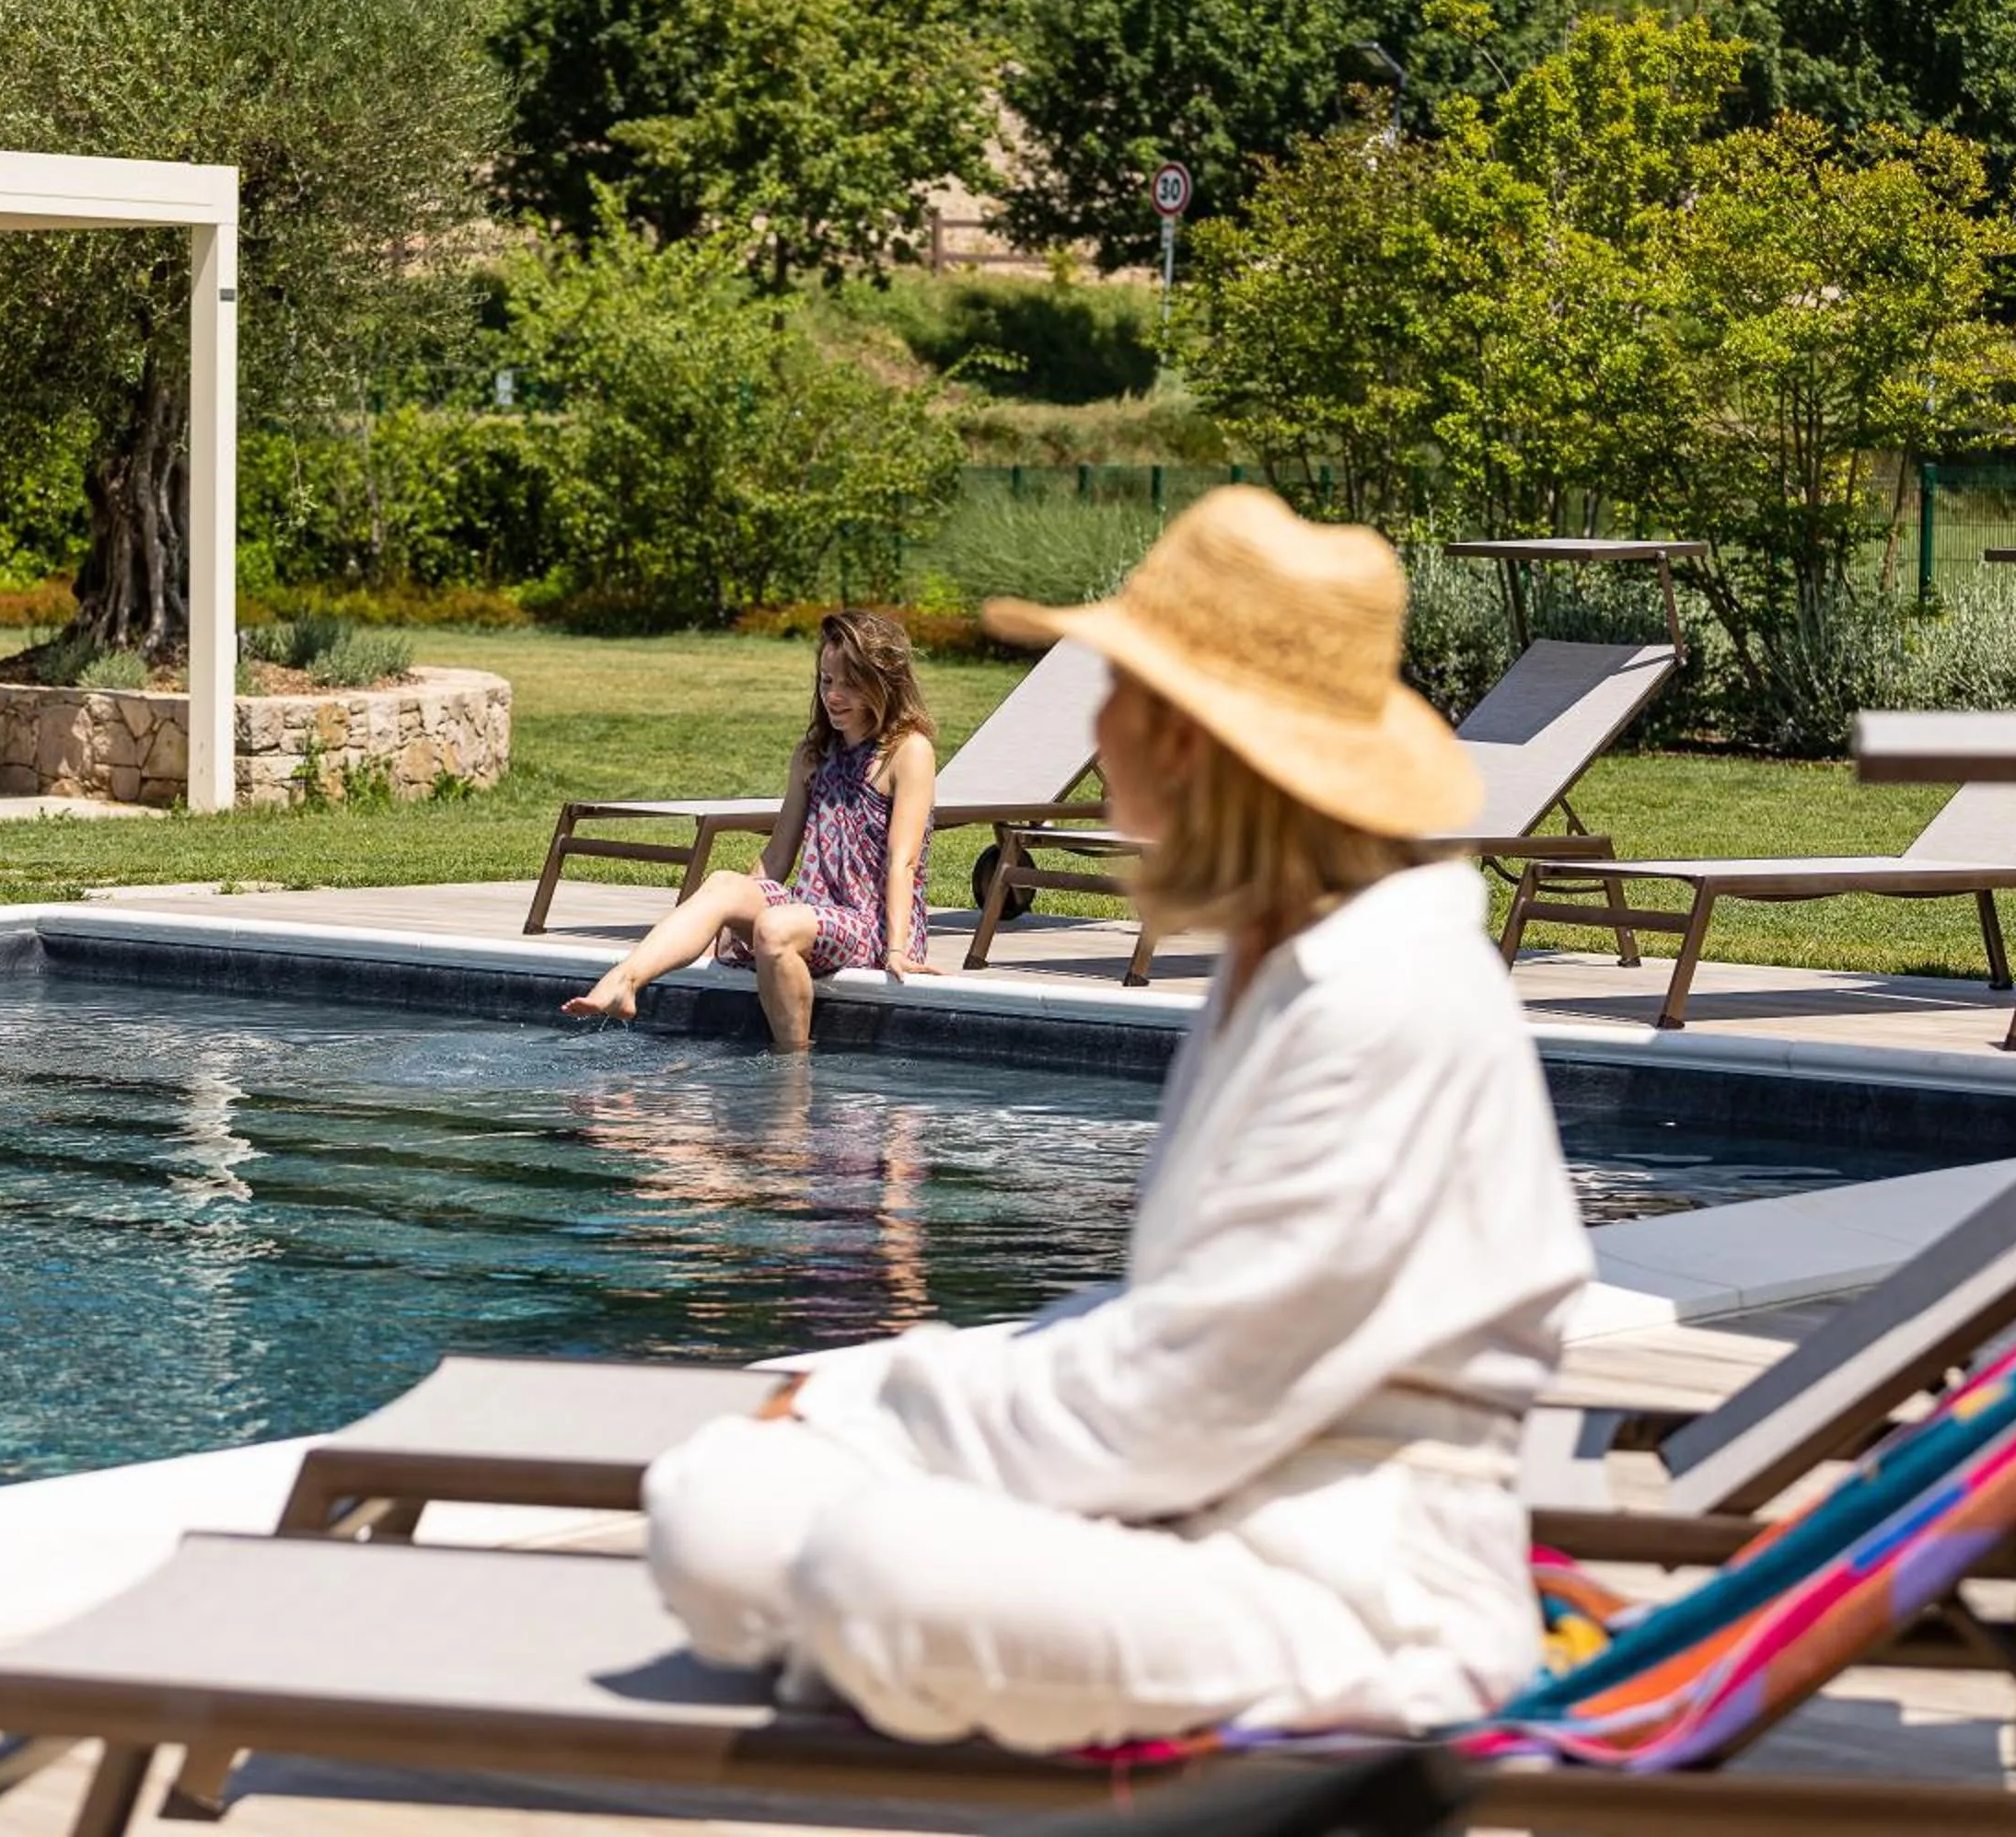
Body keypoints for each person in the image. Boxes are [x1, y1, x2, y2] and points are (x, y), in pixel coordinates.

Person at [639, 486, 1594, 1754]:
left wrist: (875, 1409)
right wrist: (860, 1398)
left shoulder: (1379, 1005)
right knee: (721, 1521)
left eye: (1122, 693)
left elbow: (1183, 1391)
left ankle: (880, 1645)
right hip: (1198, 1501)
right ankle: (890, 1648)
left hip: (1348, 1584)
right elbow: (1176, 1335)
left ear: (1191, 744)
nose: (1097, 723)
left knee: (868, 1563)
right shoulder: (1279, 961)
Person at [562, 609, 940, 1052]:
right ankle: (625, 979)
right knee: (725, 884)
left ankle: (792, 1062)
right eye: (825, 682)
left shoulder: (907, 751)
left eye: (849, 684)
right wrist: (727, 922)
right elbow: (778, 856)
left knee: (775, 926)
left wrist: (897, 950)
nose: (834, 696)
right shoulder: (813, 754)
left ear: (883, 682)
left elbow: (903, 860)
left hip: (875, 924)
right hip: (815, 910)